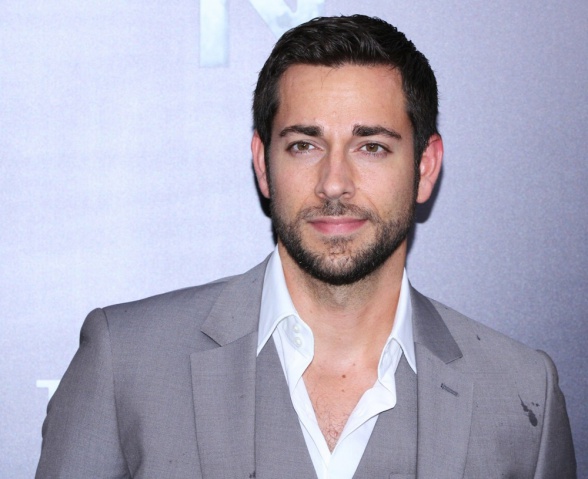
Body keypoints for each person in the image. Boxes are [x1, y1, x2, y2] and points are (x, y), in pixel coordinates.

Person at [36, 15, 576, 479]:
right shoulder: (125, 364)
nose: (334, 183)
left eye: (371, 146)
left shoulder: (522, 393)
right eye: (304, 145)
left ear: (425, 167)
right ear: (262, 164)